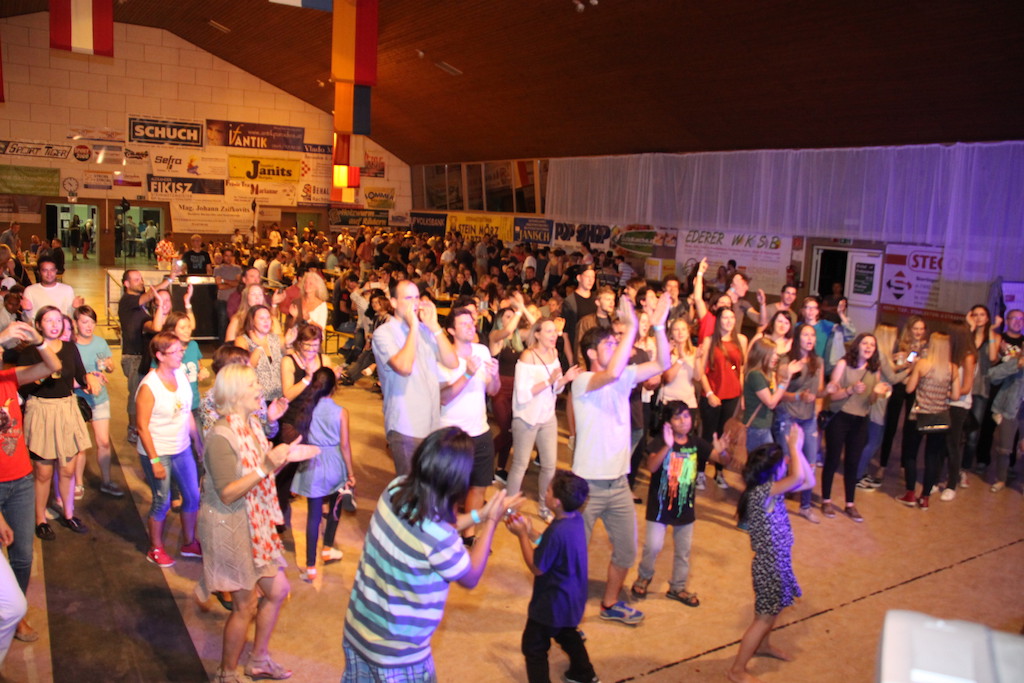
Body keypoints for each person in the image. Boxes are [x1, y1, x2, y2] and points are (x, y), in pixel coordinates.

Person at [342, 427, 517, 681]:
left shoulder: (396, 489)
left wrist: (481, 514)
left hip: (358, 629)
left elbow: (434, 530)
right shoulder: (440, 537)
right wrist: (491, 523)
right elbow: (471, 576)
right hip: (397, 655)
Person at [197, 363, 317, 683]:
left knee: (278, 591)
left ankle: (259, 659)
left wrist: (283, 458)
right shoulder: (221, 435)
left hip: (255, 522)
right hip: (231, 525)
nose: (259, 388)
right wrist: (267, 465)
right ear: (235, 393)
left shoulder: (251, 424)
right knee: (246, 604)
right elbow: (227, 493)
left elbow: (259, 476)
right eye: (252, 384)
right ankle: (226, 673)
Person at [571, 292, 671, 626]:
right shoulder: (583, 381)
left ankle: (610, 603)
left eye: (617, 343)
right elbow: (612, 374)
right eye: (609, 344)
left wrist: (659, 327)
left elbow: (662, 364)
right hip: (586, 486)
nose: (616, 347)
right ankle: (568, 615)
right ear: (591, 353)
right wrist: (630, 327)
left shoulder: (623, 375)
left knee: (627, 551)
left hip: (618, 484)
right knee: (574, 555)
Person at [727, 428, 814, 683]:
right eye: (782, 462)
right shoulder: (763, 493)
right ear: (773, 470)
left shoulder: (770, 490)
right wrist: (794, 447)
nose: (787, 463)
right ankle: (736, 670)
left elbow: (808, 481)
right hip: (770, 566)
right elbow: (798, 476)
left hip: (778, 562)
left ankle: (763, 646)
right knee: (763, 619)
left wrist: (798, 451)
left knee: (772, 612)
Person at [630, 402, 730, 606]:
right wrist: (667, 446)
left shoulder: (696, 443)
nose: (683, 421)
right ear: (668, 423)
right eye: (677, 417)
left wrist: (723, 452)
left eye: (686, 416)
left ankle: (678, 586)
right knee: (653, 546)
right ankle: (644, 576)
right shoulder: (660, 442)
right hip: (659, 507)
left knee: (683, 552)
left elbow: (723, 460)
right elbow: (651, 466)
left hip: (685, 508)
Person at [0, 321, 62, 643]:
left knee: (23, 556)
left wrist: (39, 340)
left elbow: (53, 365)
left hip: (21, 481)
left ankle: (16, 612)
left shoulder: (9, 378)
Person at [505, 470, 597, 683]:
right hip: (572, 597)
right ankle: (584, 673)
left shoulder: (557, 531)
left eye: (547, 490)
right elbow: (553, 548)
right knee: (566, 633)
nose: (544, 493)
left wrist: (522, 536)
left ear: (556, 502)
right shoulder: (575, 519)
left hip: (552, 602)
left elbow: (537, 567)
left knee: (533, 646)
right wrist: (531, 532)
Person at [21, 306, 99, 539]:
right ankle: (40, 519)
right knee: (43, 473)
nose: (55, 325)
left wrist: (90, 379)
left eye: (58, 320)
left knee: (67, 470)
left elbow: (80, 374)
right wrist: (41, 376)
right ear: (38, 325)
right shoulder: (30, 353)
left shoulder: (70, 348)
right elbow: (22, 388)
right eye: (49, 320)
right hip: (41, 411)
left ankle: (68, 513)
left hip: (66, 409)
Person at [371, 280, 458, 475]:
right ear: (393, 302)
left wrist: (435, 326)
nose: (415, 303)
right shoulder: (384, 333)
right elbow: (404, 367)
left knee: (429, 484)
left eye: (417, 297)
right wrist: (413, 328)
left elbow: (452, 362)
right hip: (405, 426)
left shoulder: (425, 330)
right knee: (411, 487)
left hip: (431, 424)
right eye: (408, 298)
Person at [135, 331, 203, 567]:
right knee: (162, 501)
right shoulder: (149, 386)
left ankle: (189, 542)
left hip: (181, 448)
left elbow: (186, 412)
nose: (180, 354)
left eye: (180, 350)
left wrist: (197, 441)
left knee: (193, 495)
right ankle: (155, 548)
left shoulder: (181, 375)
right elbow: (142, 427)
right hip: (158, 451)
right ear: (160, 355)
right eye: (174, 351)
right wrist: (154, 460)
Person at [438, 307, 501, 544]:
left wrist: (495, 376)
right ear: (451, 331)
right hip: (453, 434)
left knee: (478, 487)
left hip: (481, 431)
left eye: (471, 322)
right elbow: (443, 398)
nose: (470, 326)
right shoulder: (444, 357)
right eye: (464, 324)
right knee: (452, 490)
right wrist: (467, 374)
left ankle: (468, 534)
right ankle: (449, 532)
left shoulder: (482, 351)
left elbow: (492, 390)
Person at [507, 317, 580, 522]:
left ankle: (544, 507)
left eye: (555, 331)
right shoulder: (528, 356)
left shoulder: (554, 353)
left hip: (547, 416)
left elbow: (556, 389)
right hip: (526, 418)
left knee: (549, 465)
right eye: (549, 331)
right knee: (520, 465)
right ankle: (509, 508)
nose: (554, 335)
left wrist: (565, 379)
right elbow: (523, 395)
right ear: (537, 334)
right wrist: (549, 380)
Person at [289, 367, 355, 581]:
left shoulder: (307, 408)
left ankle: (310, 567)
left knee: (314, 516)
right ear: (334, 387)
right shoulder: (341, 412)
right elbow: (345, 445)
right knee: (335, 506)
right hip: (335, 464)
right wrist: (351, 473)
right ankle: (327, 548)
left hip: (313, 462)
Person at [823, 333, 889, 521]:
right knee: (832, 459)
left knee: (853, 462)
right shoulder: (843, 365)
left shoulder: (874, 370)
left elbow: (871, 400)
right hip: (839, 417)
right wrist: (850, 389)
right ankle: (826, 500)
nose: (868, 347)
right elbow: (832, 395)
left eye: (872, 345)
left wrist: (877, 393)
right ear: (857, 345)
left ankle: (850, 504)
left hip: (860, 420)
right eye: (865, 343)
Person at [772, 323, 825, 523]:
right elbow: (778, 393)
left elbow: (819, 391)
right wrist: (798, 396)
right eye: (805, 335)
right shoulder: (787, 361)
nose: (810, 339)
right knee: (785, 461)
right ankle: (776, 502)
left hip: (808, 418)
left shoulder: (818, 362)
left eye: (812, 335)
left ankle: (805, 506)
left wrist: (827, 392)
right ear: (797, 338)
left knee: (810, 463)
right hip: (787, 416)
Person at [73, 305, 123, 497]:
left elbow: (109, 367)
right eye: (84, 322)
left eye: (92, 322)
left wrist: (110, 366)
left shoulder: (101, 343)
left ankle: (106, 481)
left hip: (99, 398)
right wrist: (84, 382)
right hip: (78, 400)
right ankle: (78, 483)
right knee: (79, 445)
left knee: (103, 442)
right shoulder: (71, 346)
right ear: (76, 323)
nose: (89, 326)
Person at [696, 307, 747, 490]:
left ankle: (719, 472)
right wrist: (709, 393)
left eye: (732, 317)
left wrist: (742, 394)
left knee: (725, 434)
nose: (729, 321)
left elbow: (741, 369)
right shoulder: (710, 340)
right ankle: (700, 472)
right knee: (708, 434)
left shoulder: (741, 340)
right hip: (713, 393)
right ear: (718, 321)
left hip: (732, 394)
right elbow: (701, 370)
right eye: (725, 317)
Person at [119, 270, 172, 444]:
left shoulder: (141, 308)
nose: (140, 281)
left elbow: (152, 326)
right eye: (136, 279)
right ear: (126, 284)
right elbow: (150, 296)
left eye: (141, 278)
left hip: (143, 357)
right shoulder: (127, 301)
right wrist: (169, 279)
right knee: (136, 395)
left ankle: (142, 427)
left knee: (144, 394)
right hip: (133, 357)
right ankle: (133, 429)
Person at [986, 315, 1024, 493]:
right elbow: (992, 376)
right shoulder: (1016, 362)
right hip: (1011, 408)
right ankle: (1001, 479)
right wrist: (1016, 365)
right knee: (1004, 448)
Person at [235, 305, 287, 402]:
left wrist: (290, 344)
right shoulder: (242, 341)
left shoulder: (278, 339)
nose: (266, 321)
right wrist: (258, 346)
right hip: (257, 399)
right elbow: (246, 369)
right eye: (262, 318)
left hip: (280, 397)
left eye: (268, 318)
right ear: (252, 321)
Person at [214, 248, 242, 343]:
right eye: (226, 256)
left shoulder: (237, 269)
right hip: (222, 300)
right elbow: (220, 286)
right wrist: (233, 283)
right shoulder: (218, 269)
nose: (228, 258)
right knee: (223, 322)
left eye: (230, 256)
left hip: (235, 301)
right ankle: (223, 345)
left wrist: (224, 280)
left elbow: (239, 284)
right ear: (223, 256)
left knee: (236, 323)